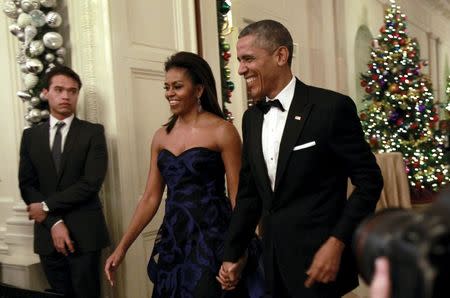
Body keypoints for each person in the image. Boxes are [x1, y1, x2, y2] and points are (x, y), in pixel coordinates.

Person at [218, 20, 384, 298]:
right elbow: (249, 195)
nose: (240, 69)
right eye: (238, 60)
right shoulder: (251, 119)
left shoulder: (331, 108)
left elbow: (369, 182)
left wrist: (337, 242)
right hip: (272, 264)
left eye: (248, 59)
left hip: (320, 263)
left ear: (281, 56)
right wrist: (233, 253)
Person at [105, 51, 263, 298]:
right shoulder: (160, 136)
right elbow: (149, 198)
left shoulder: (223, 131)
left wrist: (238, 251)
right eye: (167, 87)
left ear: (198, 90)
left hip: (212, 239)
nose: (170, 93)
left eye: (177, 86)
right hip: (175, 241)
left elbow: (238, 198)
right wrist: (122, 248)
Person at [19, 66, 110, 298]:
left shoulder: (93, 132)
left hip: (85, 235)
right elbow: (27, 185)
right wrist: (54, 222)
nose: (66, 96)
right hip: (47, 235)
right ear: (45, 92)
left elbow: (90, 183)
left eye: (72, 91)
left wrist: (47, 207)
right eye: (59, 90)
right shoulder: (31, 136)